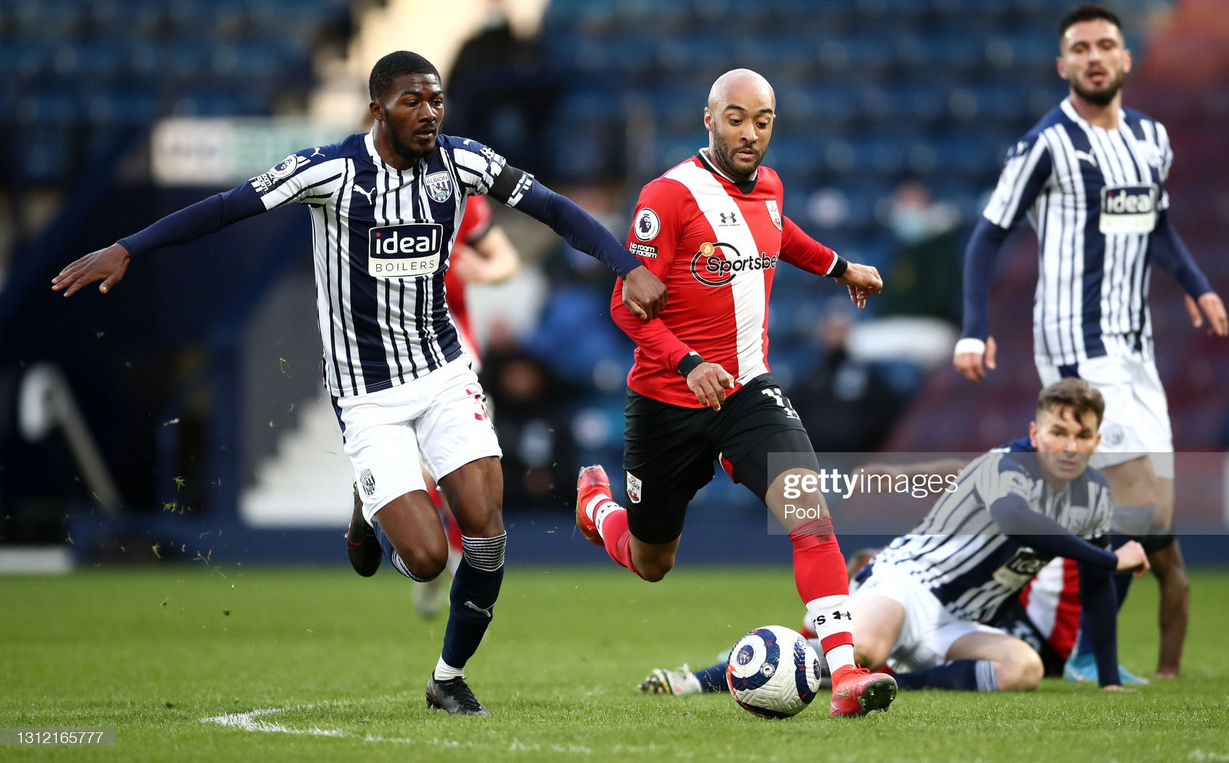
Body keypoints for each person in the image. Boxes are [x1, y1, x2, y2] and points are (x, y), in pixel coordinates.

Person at [52, 50, 667, 717]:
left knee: (486, 533)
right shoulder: (332, 170)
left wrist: (623, 262)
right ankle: (369, 506)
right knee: (429, 560)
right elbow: (227, 207)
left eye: (435, 100)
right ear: (378, 108)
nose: (428, 113)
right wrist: (127, 248)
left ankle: (448, 677)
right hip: (367, 395)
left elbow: (551, 207)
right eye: (411, 101)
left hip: (443, 373)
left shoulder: (462, 162)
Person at [572, 68, 896, 718]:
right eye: (737, 118)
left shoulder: (770, 186)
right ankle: (600, 513)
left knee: (810, 514)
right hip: (667, 400)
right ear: (709, 117)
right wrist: (687, 362)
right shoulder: (668, 197)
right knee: (651, 560)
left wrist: (840, 268)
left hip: (747, 392)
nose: (751, 133)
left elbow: (781, 232)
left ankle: (843, 679)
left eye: (764, 120)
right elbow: (625, 305)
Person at [953, 4, 1228, 681]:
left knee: (1152, 507)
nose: (1095, 56)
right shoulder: (1045, 144)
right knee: (1127, 498)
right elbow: (989, 233)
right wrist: (974, 327)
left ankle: (1071, 632)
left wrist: (1197, 285)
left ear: (1127, 58)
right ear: (1063, 65)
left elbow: (1156, 224)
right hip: (1078, 348)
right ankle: (1082, 653)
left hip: (1138, 350)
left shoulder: (1150, 139)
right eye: (1080, 48)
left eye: (1107, 44)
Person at [641, 379, 1150, 695]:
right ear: (1036, 433)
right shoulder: (1006, 464)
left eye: (1082, 436)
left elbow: (1096, 587)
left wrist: (1108, 679)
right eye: (1058, 431)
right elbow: (1019, 520)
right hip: (906, 582)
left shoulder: (1094, 496)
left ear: (1097, 441)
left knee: (1025, 669)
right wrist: (1112, 560)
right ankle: (695, 681)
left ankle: (892, 685)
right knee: (860, 645)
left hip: (960, 621)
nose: (1069, 445)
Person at [412, 193, 519, 619]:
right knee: (419, 480)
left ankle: (459, 573)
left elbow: (506, 260)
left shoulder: (457, 199)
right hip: (396, 378)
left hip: (460, 373)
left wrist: (488, 270)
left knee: (467, 483)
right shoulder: (367, 213)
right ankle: (433, 561)